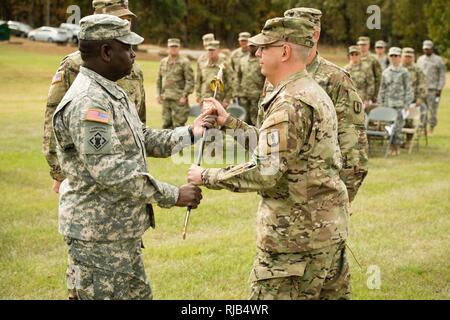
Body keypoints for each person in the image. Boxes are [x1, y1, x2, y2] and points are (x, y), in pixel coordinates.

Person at [53, 14, 215, 300]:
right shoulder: (89, 102)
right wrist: (174, 194)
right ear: (106, 52)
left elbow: (143, 137)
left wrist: (192, 132)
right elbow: (113, 172)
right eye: (127, 46)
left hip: (115, 232)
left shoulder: (111, 92)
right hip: (98, 237)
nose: (133, 53)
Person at [188, 16, 351, 300]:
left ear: (285, 52)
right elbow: (282, 151)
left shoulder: (290, 102)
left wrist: (206, 176)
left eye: (265, 47)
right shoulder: (308, 92)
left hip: (294, 244)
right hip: (325, 234)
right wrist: (229, 122)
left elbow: (267, 170)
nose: (258, 53)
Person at [43, 0, 146, 194]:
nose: (125, 24)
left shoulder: (133, 69)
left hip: (128, 174)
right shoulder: (74, 65)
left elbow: (140, 122)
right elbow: (53, 117)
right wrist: (58, 171)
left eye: (127, 19)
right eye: (119, 18)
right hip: (89, 177)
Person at [282, 7, 368, 203]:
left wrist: (339, 200)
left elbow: (354, 149)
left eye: (295, 32)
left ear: (315, 34)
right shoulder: (274, 77)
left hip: (321, 200)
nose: (286, 39)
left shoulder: (336, 79)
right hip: (281, 199)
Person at [378, 47, 413, 156]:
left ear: (399, 57)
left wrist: (407, 104)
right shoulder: (386, 72)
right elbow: (382, 89)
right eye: (392, 56)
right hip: (388, 104)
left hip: (400, 104)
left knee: (398, 127)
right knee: (389, 127)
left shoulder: (404, 72)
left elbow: (408, 89)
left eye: (396, 56)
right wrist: (381, 103)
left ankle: (396, 147)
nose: (394, 58)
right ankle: (390, 146)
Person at [156, 38, 194, 129]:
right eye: (171, 46)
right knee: (166, 125)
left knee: (179, 126)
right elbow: (159, 80)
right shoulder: (163, 62)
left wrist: (184, 96)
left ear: (179, 48)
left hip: (179, 99)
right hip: (166, 99)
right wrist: (158, 94)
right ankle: (167, 144)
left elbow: (190, 81)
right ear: (168, 48)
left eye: (175, 47)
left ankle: (181, 144)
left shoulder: (184, 62)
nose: (173, 48)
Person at [417, 40, 447, 136]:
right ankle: (423, 129)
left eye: (428, 49)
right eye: (425, 49)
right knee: (422, 110)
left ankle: (431, 128)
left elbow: (442, 75)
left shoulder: (438, 60)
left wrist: (439, 88)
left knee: (432, 110)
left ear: (432, 49)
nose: (426, 50)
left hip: (433, 89)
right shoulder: (420, 59)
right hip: (422, 89)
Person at [402, 47, 427, 147]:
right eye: (406, 56)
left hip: (412, 100)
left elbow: (422, 84)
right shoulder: (398, 68)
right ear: (402, 56)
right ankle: (396, 140)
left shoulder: (417, 69)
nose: (407, 58)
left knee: (409, 121)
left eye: (409, 56)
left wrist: (420, 98)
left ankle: (408, 141)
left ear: (413, 57)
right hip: (398, 99)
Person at [234, 43, 265, 125]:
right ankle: (243, 137)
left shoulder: (261, 61)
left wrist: (264, 93)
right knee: (243, 119)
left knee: (256, 120)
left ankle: (255, 137)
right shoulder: (242, 60)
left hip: (256, 96)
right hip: (243, 95)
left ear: (257, 47)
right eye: (250, 46)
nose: (251, 48)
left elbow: (266, 79)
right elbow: (238, 76)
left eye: (253, 46)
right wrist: (236, 92)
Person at [195, 40, 232, 107]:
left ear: (218, 51)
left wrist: (227, 99)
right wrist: (198, 96)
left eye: (213, 50)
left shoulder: (224, 64)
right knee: (206, 117)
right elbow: (198, 80)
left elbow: (231, 82)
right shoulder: (202, 63)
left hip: (220, 99)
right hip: (205, 98)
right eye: (209, 50)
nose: (211, 52)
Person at [344, 45, 375, 112]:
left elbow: (371, 84)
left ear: (360, 55)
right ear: (349, 56)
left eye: (356, 54)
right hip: (349, 100)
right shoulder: (345, 69)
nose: (354, 56)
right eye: (352, 54)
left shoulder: (366, 68)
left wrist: (367, 99)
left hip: (362, 100)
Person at [358, 36, 382, 102]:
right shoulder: (355, 57)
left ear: (368, 45)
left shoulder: (373, 59)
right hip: (358, 93)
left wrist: (375, 94)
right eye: (360, 44)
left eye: (364, 45)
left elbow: (378, 78)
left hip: (369, 93)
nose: (362, 46)